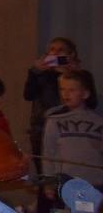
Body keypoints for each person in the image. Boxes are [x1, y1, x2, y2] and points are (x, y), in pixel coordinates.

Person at [26, 37, 82, 172]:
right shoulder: (41, 74)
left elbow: (89, 103)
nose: (55, 53)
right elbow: (28, 95)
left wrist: (73, 75)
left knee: (69, 173)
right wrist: (35, 72)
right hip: (42, 129)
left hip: (71, 130)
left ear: (71, 55)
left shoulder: (78, 76)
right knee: (45, 174)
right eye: (52, 50)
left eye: (60, 50)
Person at [42, 70, 102, 189]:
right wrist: (49, 182)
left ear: (85, 94)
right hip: (66, 182)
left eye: (72, 90)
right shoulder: (54, 121)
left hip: (95, 183)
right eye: (62, 89)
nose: (66, 94)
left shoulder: (99, 122)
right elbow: (48, 153)